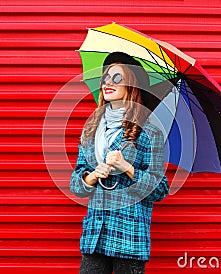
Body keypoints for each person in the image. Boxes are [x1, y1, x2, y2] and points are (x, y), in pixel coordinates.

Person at [70, 52, 169, 274]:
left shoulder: (149, 132)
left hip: (129, 237)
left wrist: (128, 168)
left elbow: (161, 189)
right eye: (105, 77)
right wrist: (93, 175)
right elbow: (76, 184)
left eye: (116, 78)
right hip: (95, 235)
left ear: (131, 85)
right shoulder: (91, 130)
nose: (107, 82)